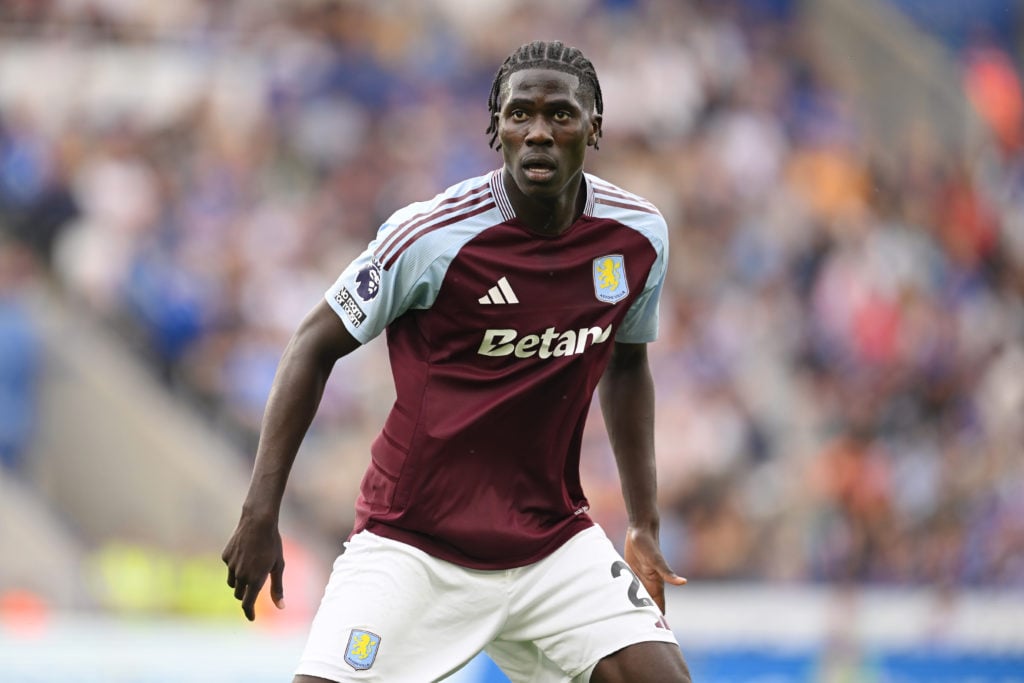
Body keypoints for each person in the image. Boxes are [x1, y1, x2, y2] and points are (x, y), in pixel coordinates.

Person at [222, 40, 691, 683]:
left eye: (561, 115)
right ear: (494, 127)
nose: (538, 133)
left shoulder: (637, 236)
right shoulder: (432, 236)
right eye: (519, 113)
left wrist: (641, 521)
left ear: (595, 127)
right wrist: (259, 512)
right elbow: (312, 345)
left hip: (551, 541)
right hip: (416, 545)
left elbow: (628, 364)